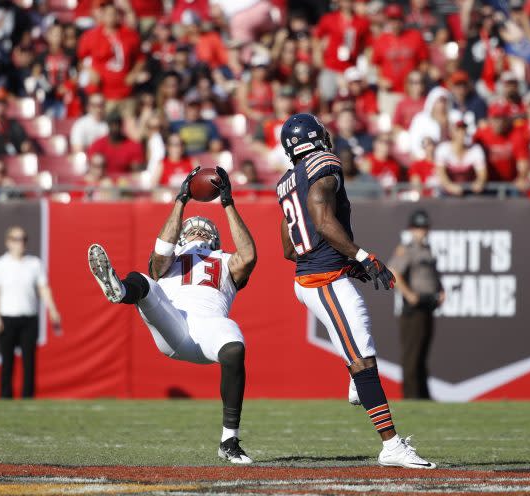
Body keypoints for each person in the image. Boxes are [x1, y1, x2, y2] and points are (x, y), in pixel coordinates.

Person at [275, 113, 435, 469]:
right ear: (316, 137)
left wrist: (346, 262)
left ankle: (357, 382)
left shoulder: (286, 181)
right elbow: (321, 219)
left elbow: (289, 248)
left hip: (312, 277)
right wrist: (360, 254)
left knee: (360, 340)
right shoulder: (324, 162)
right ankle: (391, 446)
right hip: (323, 281)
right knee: (363, 360)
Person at [87, 166, 257, 463]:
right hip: (174, 320)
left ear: (216, 240)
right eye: (194, 228)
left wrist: (227, 203)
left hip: (209, 329)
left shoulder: (226, 260)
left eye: (206, 230)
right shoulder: (170, 258)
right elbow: (162, 250)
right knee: (144, 281)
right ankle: (119, 291)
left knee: (234, 347)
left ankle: (229, 441)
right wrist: (181, 200)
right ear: (181, 235)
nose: (200, 231)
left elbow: (249, 256)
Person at [0, 226, 61, 398]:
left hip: (29, 318)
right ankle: (5, 396)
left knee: (29, 361)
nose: (20, 243)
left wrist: (52, 309)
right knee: (7, 361)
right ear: (8, 242)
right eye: (16, 239)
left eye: (23, 239)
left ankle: (28, 396)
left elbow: (43, 288)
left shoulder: (34, 263)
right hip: (7, 317)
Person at [388, 210, 444, 400]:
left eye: (425, 227)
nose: (422, 231)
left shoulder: (427, 249)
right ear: (411, 229)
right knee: (412, 354)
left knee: (422, 352)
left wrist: (441, 290)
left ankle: (423, 394)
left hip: (428, 305)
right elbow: (394, 272)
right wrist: (409, 294)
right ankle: (411, 395)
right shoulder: (406, 249)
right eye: (419, 227)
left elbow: (433, 275)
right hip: (413, 308)